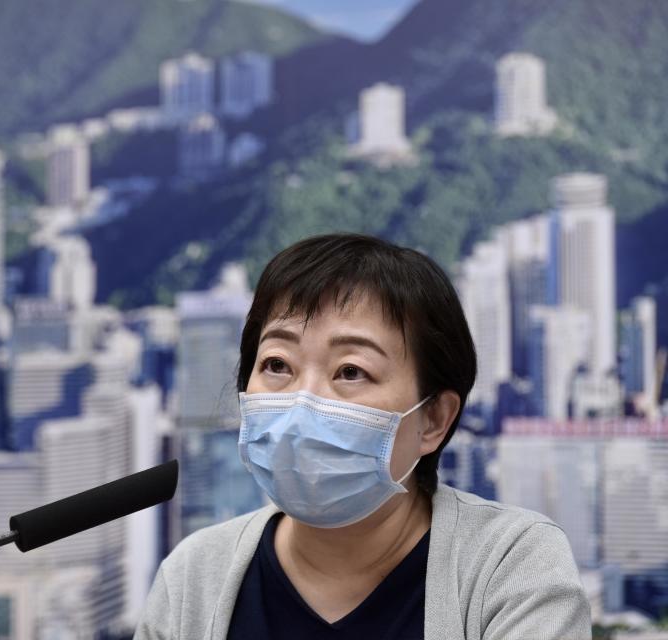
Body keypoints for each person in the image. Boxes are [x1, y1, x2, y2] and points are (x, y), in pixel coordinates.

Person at [135, 234, 590, 640]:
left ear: (432, 418)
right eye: (277, 365)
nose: (302, 402)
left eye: (351, 371)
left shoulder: (510, 564)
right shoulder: (195, 575)